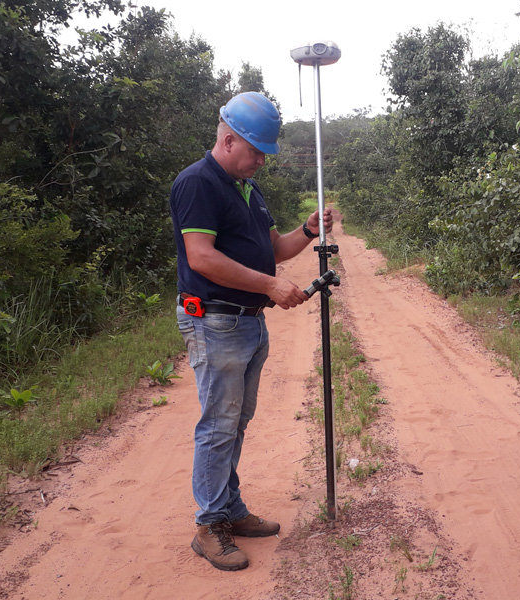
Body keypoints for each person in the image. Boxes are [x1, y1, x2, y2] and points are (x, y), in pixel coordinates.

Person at [169, 91, 332, 572]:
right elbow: (201, 257)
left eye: (265, 151)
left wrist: (305, 230)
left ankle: (230, 509)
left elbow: (273, 251)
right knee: (218, 425)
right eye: (256, 150)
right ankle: (209, 524)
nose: (262, 159)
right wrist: (268, 286)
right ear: (227, 139)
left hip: (247, 323)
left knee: (236, 422)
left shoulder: (248, 190)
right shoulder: (198, 183)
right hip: (214, 320)